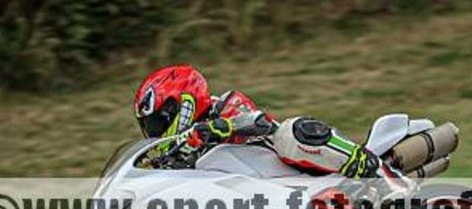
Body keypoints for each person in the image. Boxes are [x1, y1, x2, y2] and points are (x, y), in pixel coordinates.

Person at [134, 64, 399, 180]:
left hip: (290, 173)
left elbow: (260, 122)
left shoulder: (224, 105)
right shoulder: (180, 156)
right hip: (256, 207)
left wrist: (218, 129)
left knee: (290, 133)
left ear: (183, 103)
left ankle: (376, 172)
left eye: (159, 122)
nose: (156, 132)